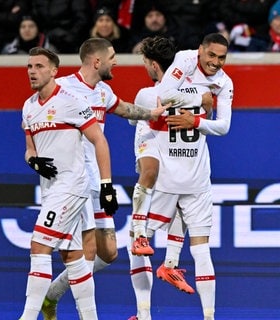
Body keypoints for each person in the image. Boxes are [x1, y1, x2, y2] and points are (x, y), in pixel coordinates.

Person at [39, 37, 197, 320]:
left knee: (108, 253)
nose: (117, 61)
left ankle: (51, 294)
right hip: (71, 181)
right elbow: (35, 114)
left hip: (97, 180)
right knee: (85, 251)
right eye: (112, 56)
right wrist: (37, 155)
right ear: (96, 61)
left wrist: (152, 113)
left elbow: (124, 109)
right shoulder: (62, 87)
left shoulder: (103, 91)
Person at [129, 33, 233, 320]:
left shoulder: (149, 93)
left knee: (138, 244)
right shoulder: (198, 82)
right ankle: (205, 311)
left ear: (152, 65)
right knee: (201, 249)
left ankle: (144, 312)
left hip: (168, 177)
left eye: (221, 58)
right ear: (197, 53)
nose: (215, 62)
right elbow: (216, 121)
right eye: (211, 56)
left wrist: (194, 117)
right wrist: (202, 101)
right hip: (195, 175)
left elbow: (152, 102)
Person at [18, 46, 118, 320]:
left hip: (72, 187)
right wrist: (33, 161)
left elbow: (99, 139)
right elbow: (30, 148)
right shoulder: (28, 107)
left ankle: (27, 317)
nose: (32, 72)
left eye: (39, 66)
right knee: (73, 256)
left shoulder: (71, 101)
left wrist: (107, 185)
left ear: (54, 71)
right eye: (30, 66)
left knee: (39, 246)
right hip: (50, 190)